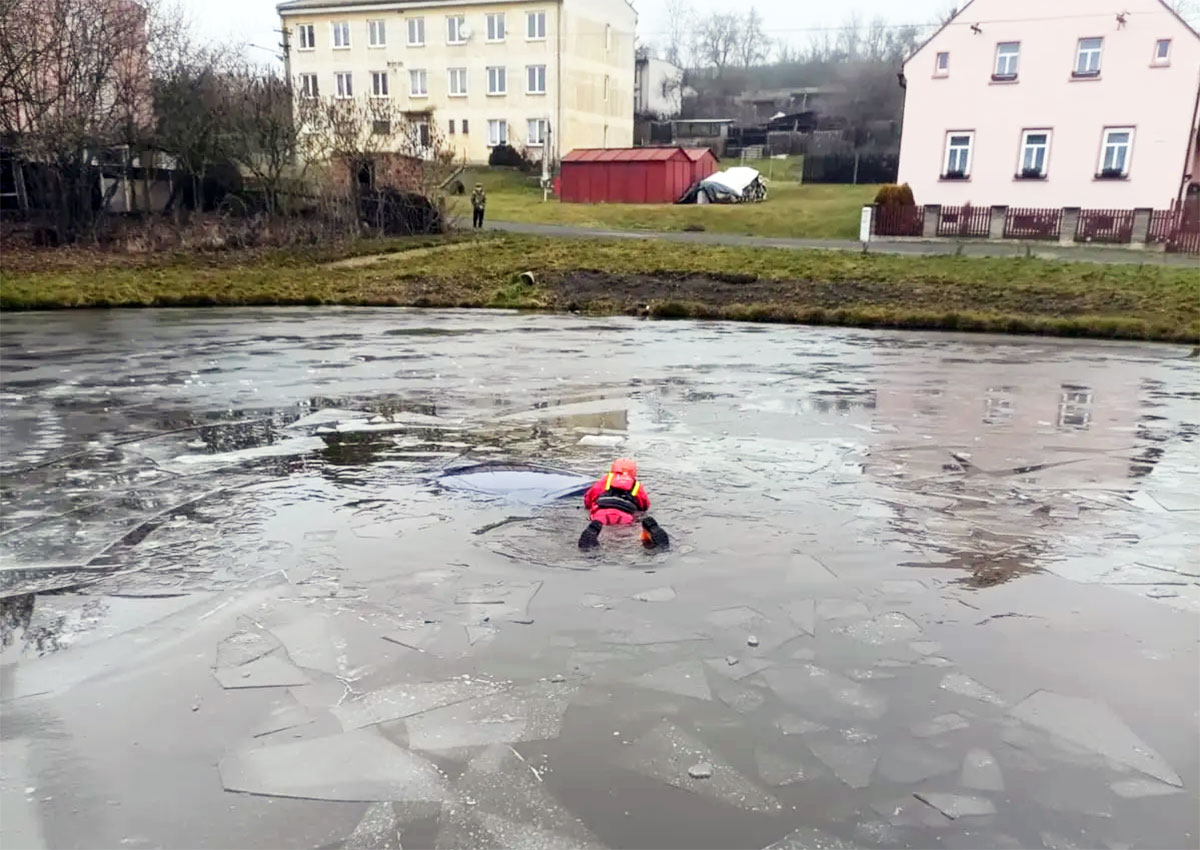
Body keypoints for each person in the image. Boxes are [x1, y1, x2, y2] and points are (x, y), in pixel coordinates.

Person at [578, 458, 669, 550]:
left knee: (603, 535)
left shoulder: (602, 482)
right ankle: (648, 539)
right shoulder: (636, 486)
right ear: (634, 472)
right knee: (631, 535)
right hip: (625, 517)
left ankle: (591, 541)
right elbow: (644, 506)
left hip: (600, 515)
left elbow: (587, 500)